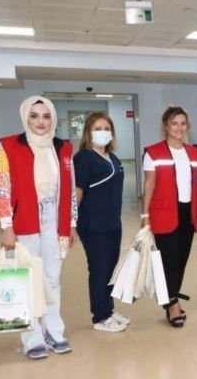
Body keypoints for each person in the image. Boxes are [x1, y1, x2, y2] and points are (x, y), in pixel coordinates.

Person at [0, 95, 77, 359]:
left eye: (46, 116)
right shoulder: (7, 146)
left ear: (53, 118)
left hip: (55, 218)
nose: (40, 121)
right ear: (25, 118)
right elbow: (1, 188)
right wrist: (7, 226)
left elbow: (70, 189)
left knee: (52, 278)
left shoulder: (63, 147)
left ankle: (54, 331)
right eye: (34, 116)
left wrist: (71, 222)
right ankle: (32, 337)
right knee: (29, 277)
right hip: (25, 219)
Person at [141, 106, 197, 328]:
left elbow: (196, 183)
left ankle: (171, 298)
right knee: (169, 261)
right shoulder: (153, 152)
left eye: (183, 123)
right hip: (164, 212)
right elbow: (149, 184)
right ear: (166, 127)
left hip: (187, 213)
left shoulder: (194, 153)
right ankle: (172, 304)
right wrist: (145, 215)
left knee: (181, 260)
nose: (179, 127)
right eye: (174, 123)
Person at [73, 112, 129, 333]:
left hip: (112, 223)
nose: (103, 132)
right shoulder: (84, 158)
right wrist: (71, 222)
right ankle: (100, 316)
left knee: (110, 269)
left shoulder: (112, 157)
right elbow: (77, 192)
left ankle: (109, 309)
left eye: (107, 128)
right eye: (98, 129)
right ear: (88, 132)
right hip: (93, 225)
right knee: (99, 269)